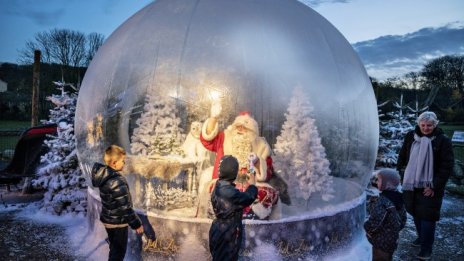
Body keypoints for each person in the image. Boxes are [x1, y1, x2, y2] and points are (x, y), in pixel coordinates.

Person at [200, 101, 279, 219]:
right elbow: (208, 141)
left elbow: (268, 172)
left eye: (245, 128)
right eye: (238, 126)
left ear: (253, 132)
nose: (241, 129)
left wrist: (257, 163)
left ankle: (251, 217)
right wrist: (213, 118)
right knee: (220, 192)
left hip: (252, 184)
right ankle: (227, 215)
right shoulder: (225, 138)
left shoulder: (261, 145)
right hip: (226, 183)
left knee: (267, 193)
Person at [396, 111, 454, 260]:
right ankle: (422, 238)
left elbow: (446, 166)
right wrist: (403, 174)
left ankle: (426, 248)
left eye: (429, 125)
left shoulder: (442, 141)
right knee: (415, 211)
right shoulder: (411, 136)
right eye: (423, 125)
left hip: (430, 186)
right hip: (411, 183)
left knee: (427, 216)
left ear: (435, 125)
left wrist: (434, 185)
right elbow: (402, 156)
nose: (426, 128)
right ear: (418, 124)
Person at [91, 145, 144, 261]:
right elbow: (125, 207)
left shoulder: (105, 176)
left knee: (114, 249)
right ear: (114, 163)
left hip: (109, 221)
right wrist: (136, 224)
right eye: (122, 161)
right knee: (118, 253)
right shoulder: (116, 181)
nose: (124, 163)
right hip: (117, 223)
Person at [209, 155, 258, 261]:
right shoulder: (229, 192)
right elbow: (248, 197)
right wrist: (253, 185)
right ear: (233, 173)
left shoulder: (219, 185)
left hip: (218, 229)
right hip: (227, 233)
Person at [364, 168, 407, 261]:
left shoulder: (383, 200)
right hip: (392, 240)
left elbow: (376, 220)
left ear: (386, 184)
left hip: (381, 241)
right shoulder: (399, 198)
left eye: (379, 180)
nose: (377, 182)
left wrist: (367, 228)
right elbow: (403, 220)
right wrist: (394, 230)